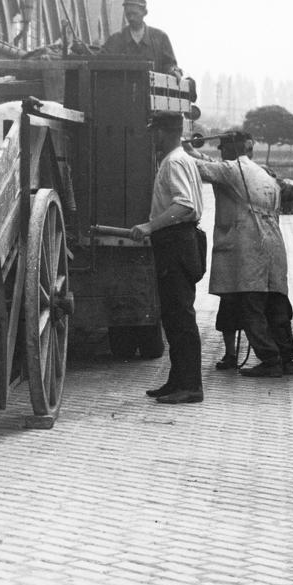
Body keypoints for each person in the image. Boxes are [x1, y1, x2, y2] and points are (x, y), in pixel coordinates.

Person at [194, 131, 293, 378]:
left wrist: (178, 148)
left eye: (222, 149)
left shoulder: (232, 169)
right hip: (273, 244)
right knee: (276, 304)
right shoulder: (264, 174)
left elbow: (198, 167)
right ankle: (286, 357)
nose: (221, 153)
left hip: (249, 247)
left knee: (251, 307)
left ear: (230, 149)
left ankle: (270, 360)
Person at [131, 113, 206, 404]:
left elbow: (184, 205)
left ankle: (190, 386)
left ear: (164, 132)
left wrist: (150, 226)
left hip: (175, 242)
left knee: (180, 316)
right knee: (175, 316)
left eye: (155, 131)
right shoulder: (182, 159)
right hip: (179, 242)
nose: (153, 137)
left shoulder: (173, 162)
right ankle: (178, 381)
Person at [100, 0, 179, 75]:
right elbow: (100, 62)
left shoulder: (160, 38)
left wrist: (173, 71)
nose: (131, 18)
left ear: (145, 13)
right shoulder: (115, 40)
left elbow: (170, 65)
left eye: (135, 14)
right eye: (128, 14)